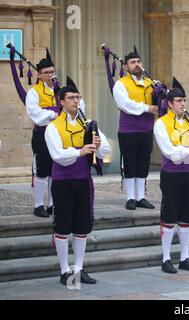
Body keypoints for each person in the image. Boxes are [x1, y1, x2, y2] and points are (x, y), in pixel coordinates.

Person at [45, 77, 111, 285]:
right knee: (63, 226)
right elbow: (57, 155)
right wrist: (80, 151)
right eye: (71, 98)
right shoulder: (53, 127)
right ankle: (64, 271)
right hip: (63, 181)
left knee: (82, 227)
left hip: (83, 181)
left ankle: (79, 269)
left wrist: (98, 146)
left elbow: (106, 150)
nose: (76, 101)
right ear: (61, 101)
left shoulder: (89, 124)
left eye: (78, 97)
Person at [154, 78, 189, 274]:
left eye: (184, 100)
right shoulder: (161, 124)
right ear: (169, 104)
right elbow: (169, 152)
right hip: (171, 174)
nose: (182, 104)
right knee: (170, 216)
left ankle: (185, 257)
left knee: (187, 216)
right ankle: (166, 258)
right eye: (178, 101)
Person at [25, 49, 86, 218]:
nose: (50, 75)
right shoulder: (34, 91)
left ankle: (52, 203)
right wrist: (53, 114)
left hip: (62, 133)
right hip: (42, 133)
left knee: (55, 168)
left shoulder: (62, 90)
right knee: (41, 169)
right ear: (39, 75)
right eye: (46, 73)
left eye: (52, 71)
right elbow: (33, 112)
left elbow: (79, 105)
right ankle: (38, 205)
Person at [113, 46, 158, 210]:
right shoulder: (121, 83)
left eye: (138, 61)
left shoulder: (150, 83)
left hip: (146, 129)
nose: (136, 64)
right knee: (130, 163)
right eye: (133, 62)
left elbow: (159, 100)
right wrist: (147, 108)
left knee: (143, 163)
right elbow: (125, 104)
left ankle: (141, 197)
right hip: (128, 130)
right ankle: (130, 197)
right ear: (126, 66)